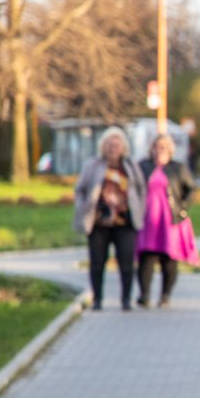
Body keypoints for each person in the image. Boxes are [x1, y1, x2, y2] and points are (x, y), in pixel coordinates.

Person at [73, 126, 146, 311]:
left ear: (123, 147)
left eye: (117, 144)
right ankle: (97, 299)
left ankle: (126, 299)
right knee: (97, 262)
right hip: (99, 223)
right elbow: (80, 189)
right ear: (103, 146)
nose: (113, 148)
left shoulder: (130, 166)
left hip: (125, 222)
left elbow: (141, 189)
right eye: (110, 144)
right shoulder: (93, 165)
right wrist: (83, 207)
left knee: (127, 262)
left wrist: (139, 209)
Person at [136, 134, 200, 308]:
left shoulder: (177, 168)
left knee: (169, 258)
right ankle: (144, 295)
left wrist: (183, 209)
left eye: (164, 146)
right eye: (157, 146)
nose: (160, 150)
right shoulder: (143, 166)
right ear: (152, 148)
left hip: (170, 218)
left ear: (170, 149)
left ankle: (165, 295)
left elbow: (191, 189)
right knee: (146, 257)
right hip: (148, 219)